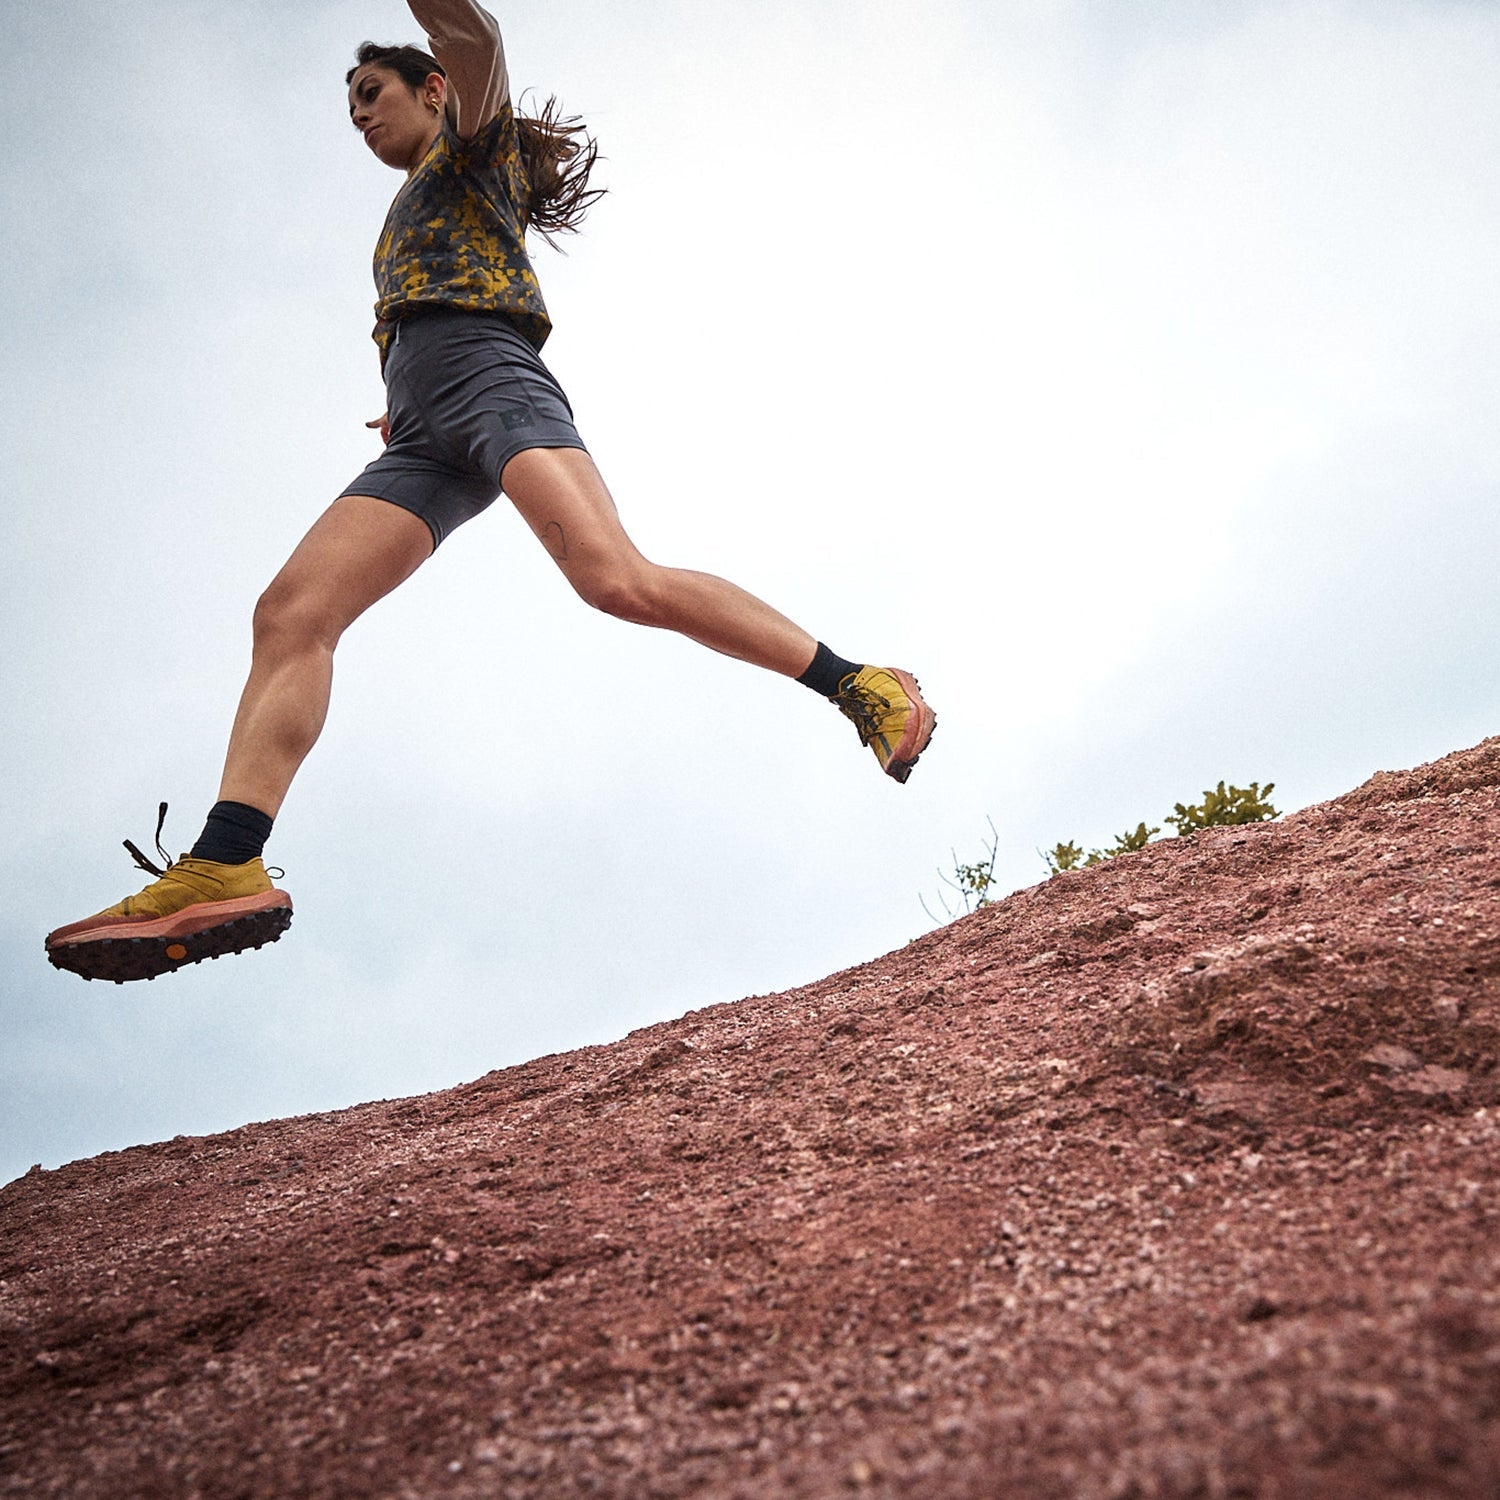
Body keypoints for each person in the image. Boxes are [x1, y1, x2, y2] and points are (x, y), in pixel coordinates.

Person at [45, 0, 935, 985]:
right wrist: (401, 399)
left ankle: (860, 683)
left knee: (615, 580)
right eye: (349, 107)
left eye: (372, 93)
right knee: (290, 614)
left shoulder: (473, 144)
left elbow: (479, 38)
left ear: (433, 91)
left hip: (491, 382)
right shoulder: (420, 201)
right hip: (426, 430)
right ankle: (225, 858)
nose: (359, 115)